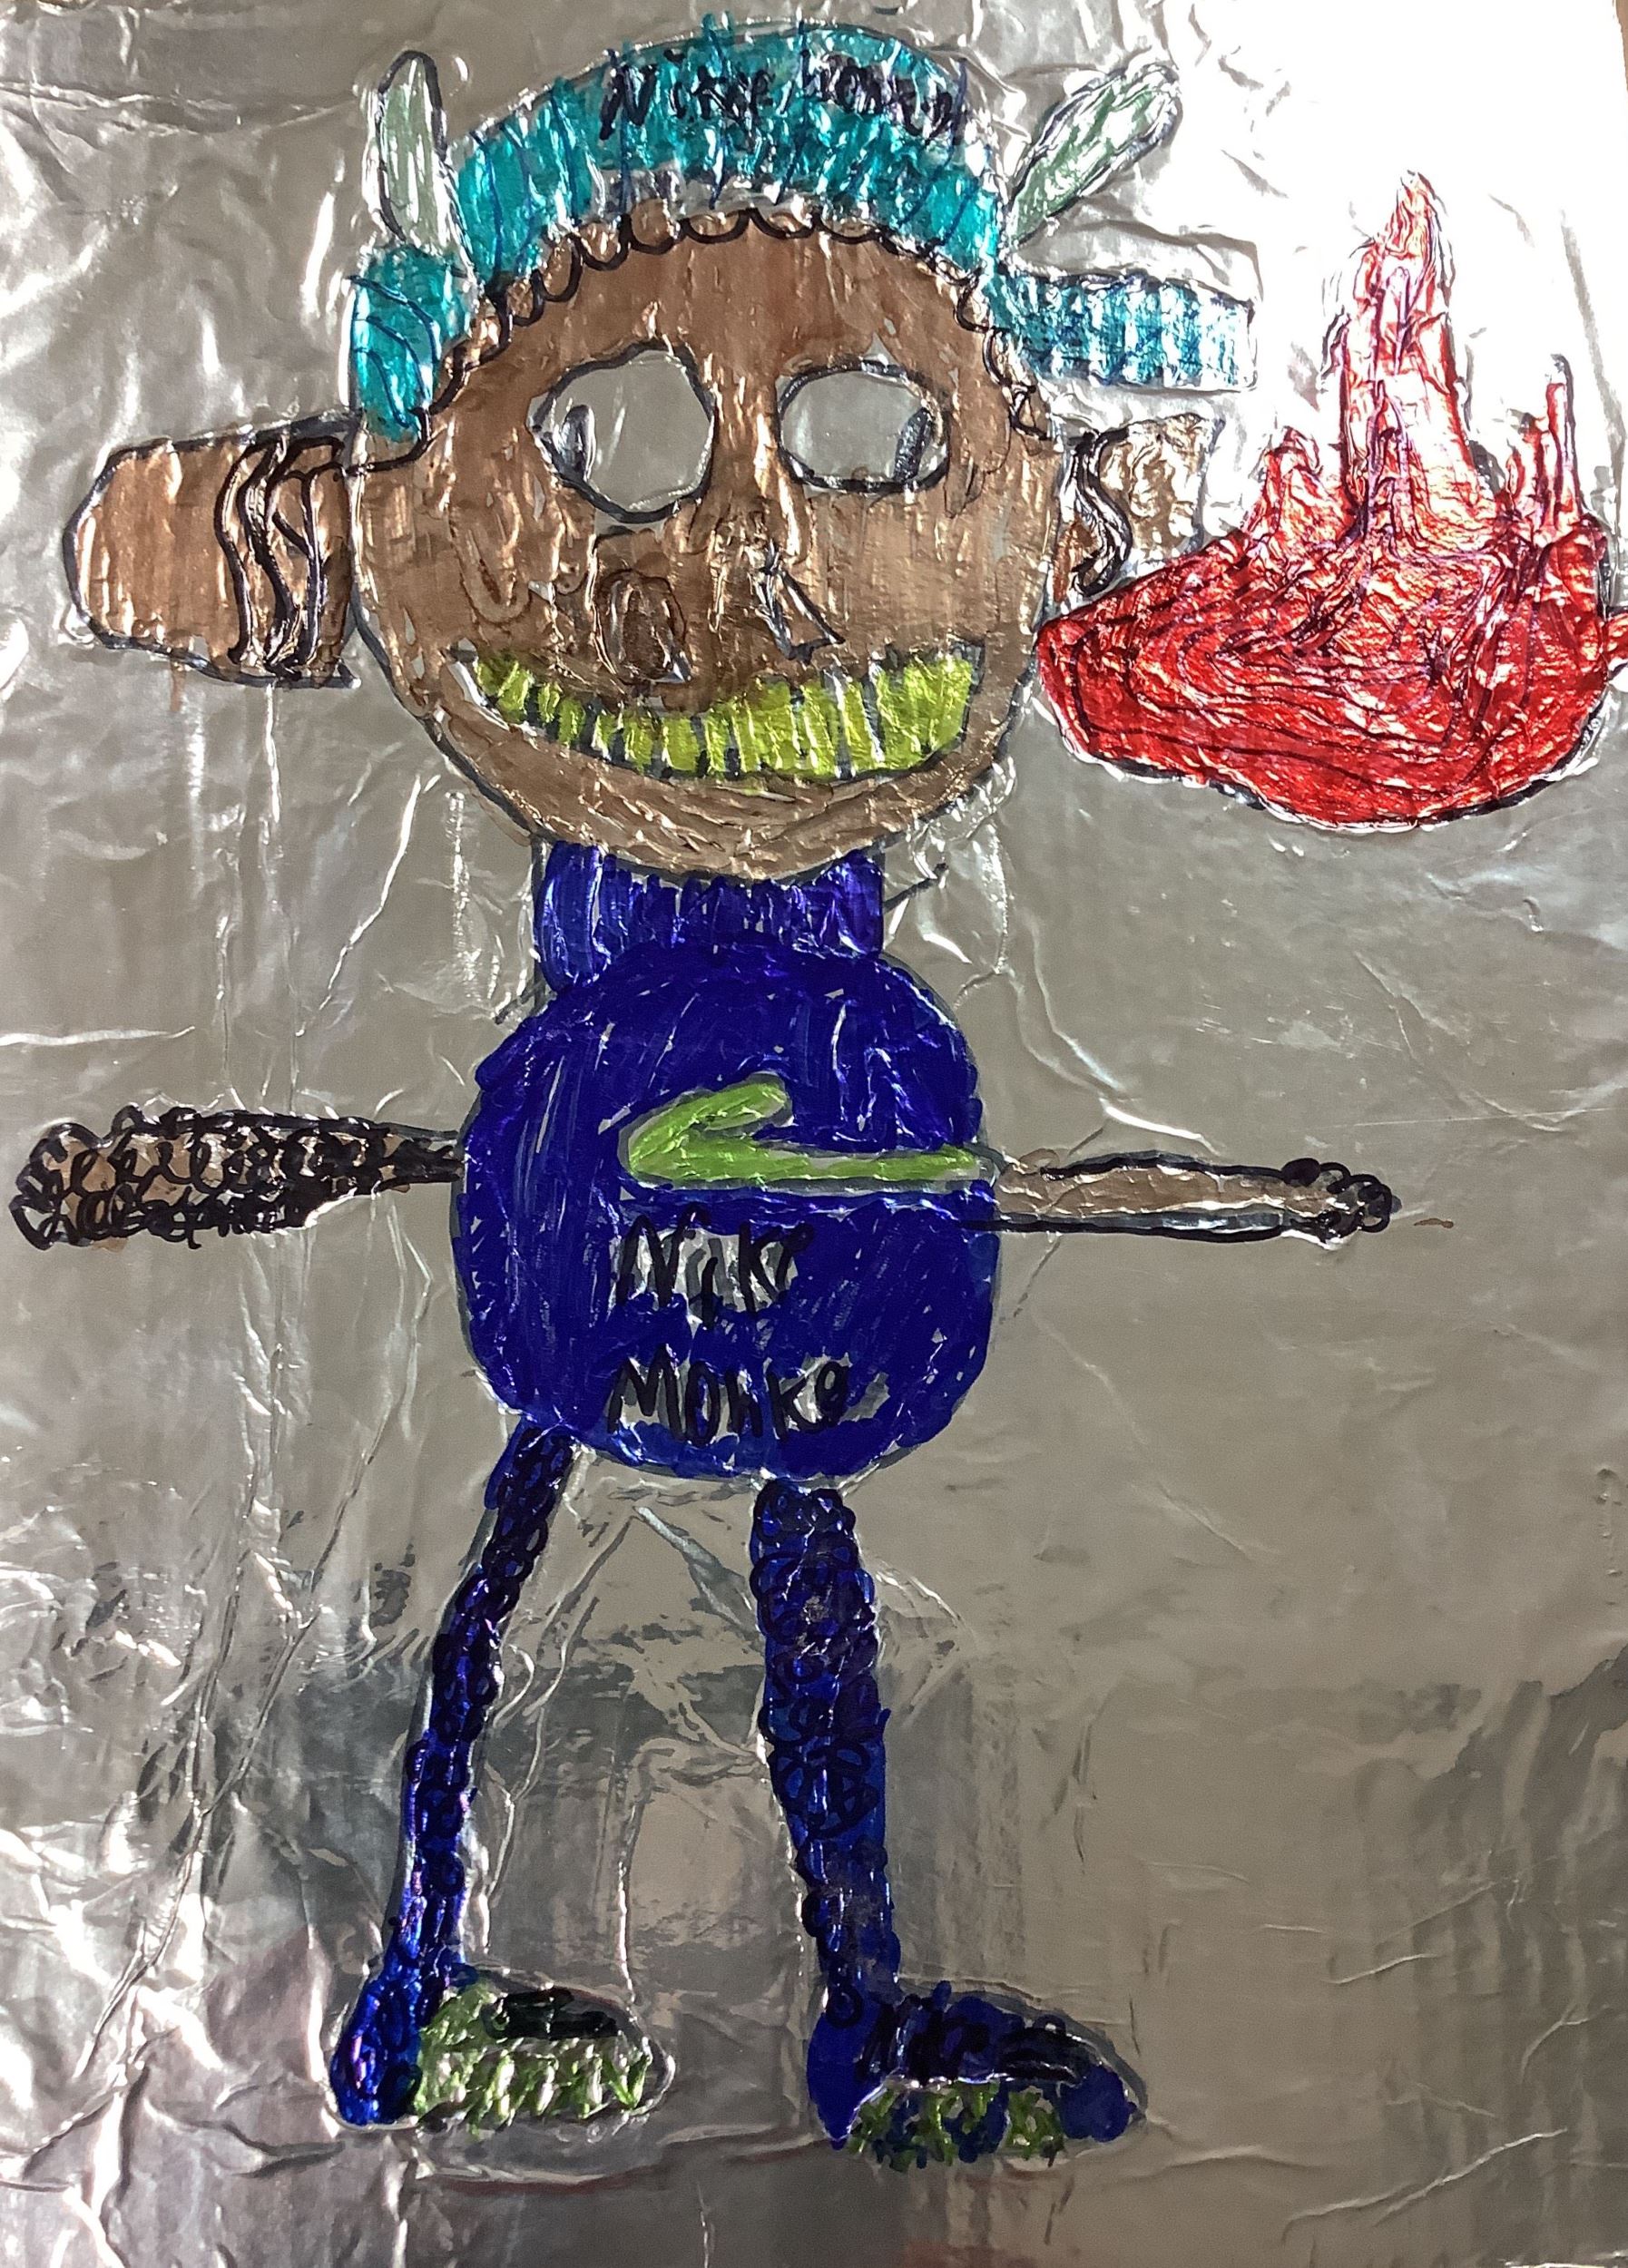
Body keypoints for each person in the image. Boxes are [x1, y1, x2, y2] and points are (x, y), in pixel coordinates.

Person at [20, 24, 1392, 2165]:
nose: (751, 553)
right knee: (522, 1560)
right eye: (616, 443)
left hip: (792, 1224)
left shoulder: (904, 783)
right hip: (588, 1218)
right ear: (373, 523)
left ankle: (860, 1996)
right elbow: (138, 548)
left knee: (778, 1561)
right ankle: (419, 1987)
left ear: (1056, 513)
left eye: (875, 441)